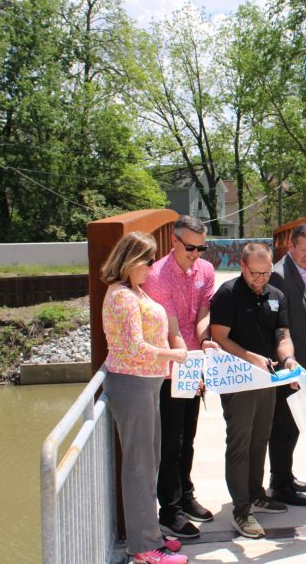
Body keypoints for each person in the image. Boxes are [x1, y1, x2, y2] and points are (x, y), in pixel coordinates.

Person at [100, 232, 188, 564]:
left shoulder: (135, 291)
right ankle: (143, 547)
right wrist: (173, 355)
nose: (152, 268)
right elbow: (134, 347)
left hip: (147, 382)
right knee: (139, 466)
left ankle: (150, 533)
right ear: (131, 260)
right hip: (132, 383)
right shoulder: (122, 296)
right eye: (147, 261)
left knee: (149, 462)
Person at [210, 242, 297, 539]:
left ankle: (256, 493)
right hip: (238, 380)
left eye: (266, 272)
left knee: (261, 438)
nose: (261, 279)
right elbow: (219, 337)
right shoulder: (227, 293)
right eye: (255, 273)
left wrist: (288, 358)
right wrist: (249, 357)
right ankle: (241, 510)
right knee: (240, 442)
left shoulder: (277, 295)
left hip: (267, 379)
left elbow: (282, 334)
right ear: (243, 267)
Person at [143, 215, 216, 539]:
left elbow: (203, 313)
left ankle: (185, 495)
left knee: (190, 435)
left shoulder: (206, 270)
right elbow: (171, 329)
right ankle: (169, 510)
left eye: (201, 248)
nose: (196, 254)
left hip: (193, 358)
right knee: (171, 441)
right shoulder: (157, 275)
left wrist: (203, 344)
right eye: (190, 247)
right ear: (174, 241)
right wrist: (188, 364)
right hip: (169, 363)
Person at [267, 224, 306, 506]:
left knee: (295, 422)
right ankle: (279, 484)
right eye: (304, 251)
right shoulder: (277, 275)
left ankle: (285, 475)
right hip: (288, 363)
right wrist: (284, 360)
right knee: (283, 424)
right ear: (290, 247)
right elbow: (276, 324)